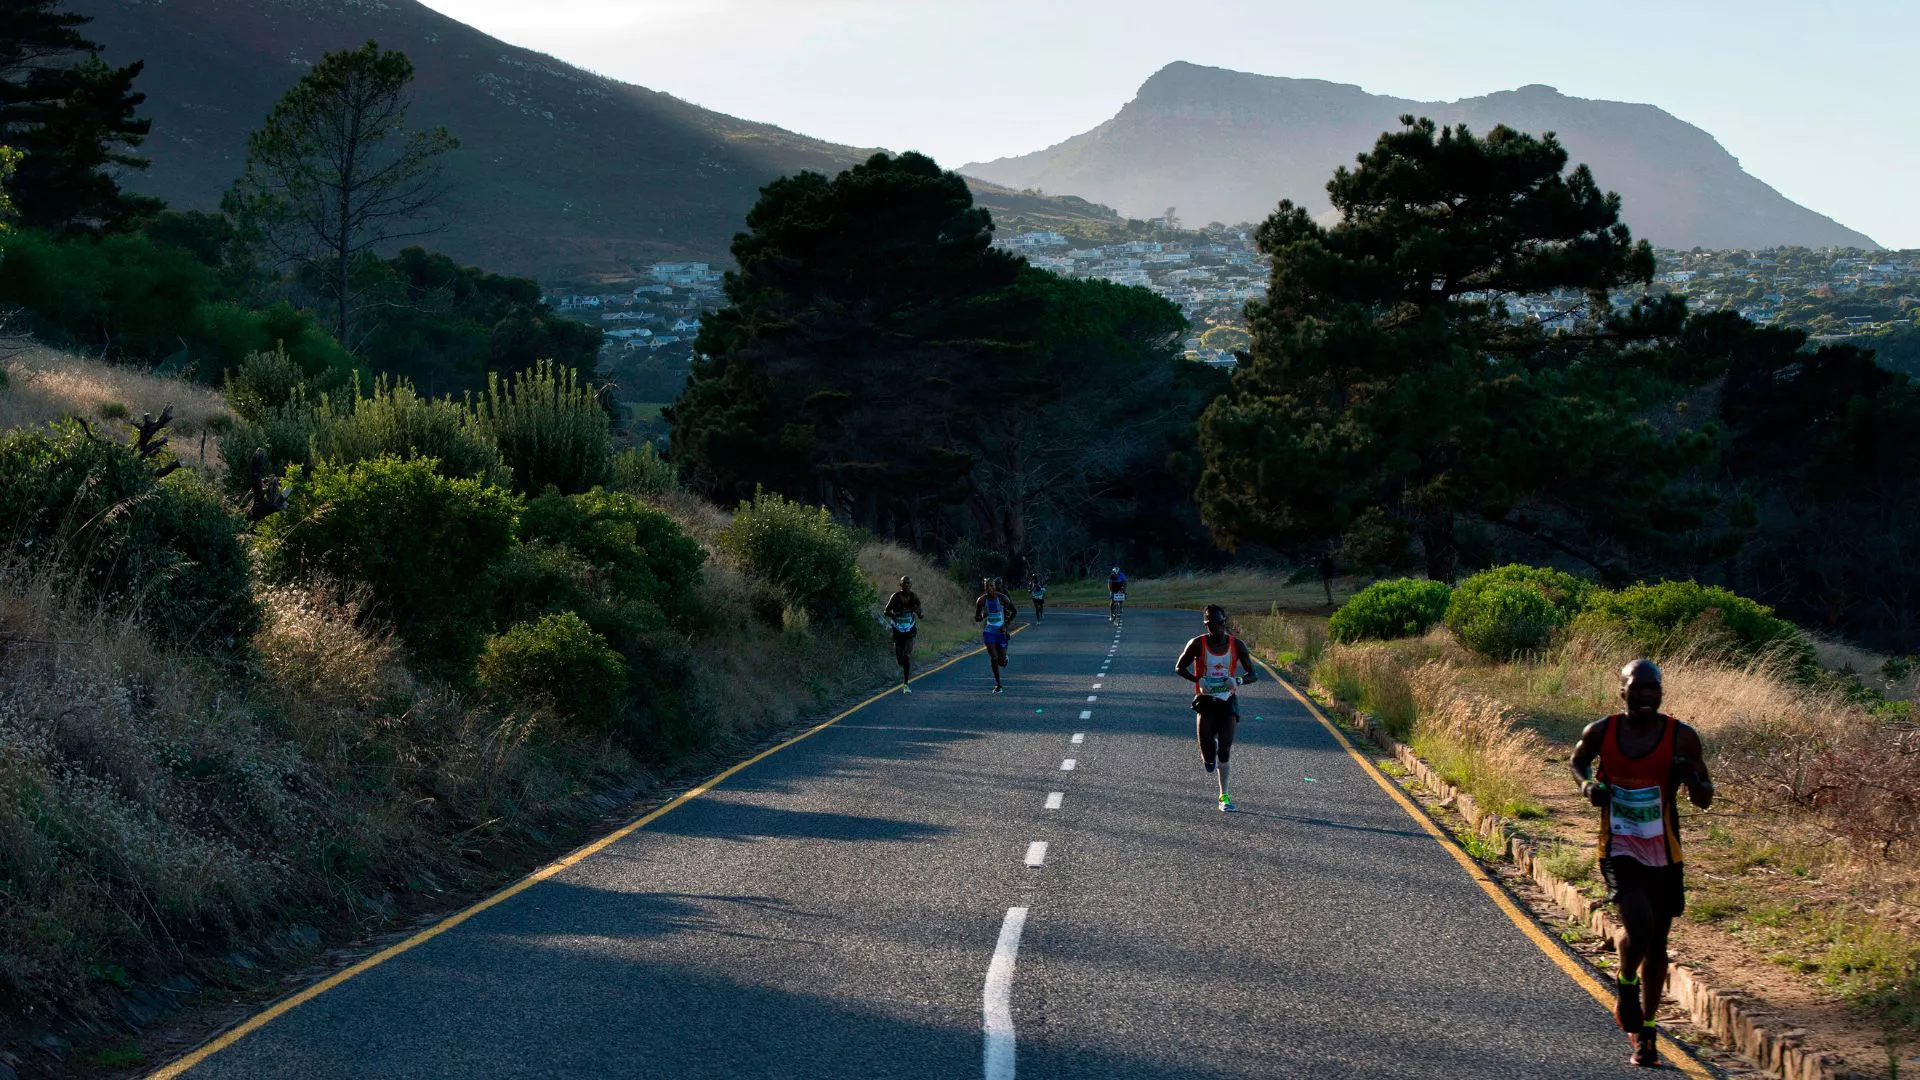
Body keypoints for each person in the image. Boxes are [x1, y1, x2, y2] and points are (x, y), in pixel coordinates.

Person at [1569, 659, 1713, 1068]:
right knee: (1640, 925)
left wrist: (1691, 778)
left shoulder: (1682, 737)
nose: (1647, 696)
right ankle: (1626, 982)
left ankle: (1647, 1033)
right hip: (1618, 846)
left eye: (1654, 689)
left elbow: (1705, 797)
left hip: (1664, 850)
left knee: (1658, 944)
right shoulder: (1602, 732)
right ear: (1623, 692)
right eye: (1639, 688)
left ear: (1661, 693)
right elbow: (1578, 762)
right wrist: (1588, 786)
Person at [1174, 605, 1257, 811]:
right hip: (1205, 701)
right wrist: (1198, 680)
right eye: (1210, 624)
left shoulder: (1237, 645)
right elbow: (1179, 667)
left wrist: (1237, 680)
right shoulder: (1197, 644)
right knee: (1210, 759)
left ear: (1224, 622)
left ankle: (1224, 796)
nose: (1215, 628)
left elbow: (1252, 674)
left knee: (1225, 749)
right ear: (1206, 625)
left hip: (1227, 700)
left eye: (1218, 624)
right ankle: (1209, 759)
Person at [974, 577, 1019, 693]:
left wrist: (1006, 625)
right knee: (993, 658)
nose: (989, 589)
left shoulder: (1003, 598)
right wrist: (983, 616)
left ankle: (1004, 659)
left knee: (1001, 662)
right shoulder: (981, 601)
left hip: (1001, 632)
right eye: (987, 587)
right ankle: (998, 685)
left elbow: (1014, 611)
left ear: (995, 587)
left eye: (991, 586)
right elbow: (977, 618)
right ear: (984, 588)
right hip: (989, 632)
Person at [882, 575, 923, 693]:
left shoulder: (914, 597)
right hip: (897, 629)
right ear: (900, 585)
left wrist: (919, 614)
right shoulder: (895, 597)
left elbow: (920, 612)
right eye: (904, 583)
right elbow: (886, 611)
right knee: (900, 660)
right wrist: (894, 614)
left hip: (910, 629)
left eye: (908, 583)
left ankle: (905, 684)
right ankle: (903, 666)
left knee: (906, 655)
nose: (906, 585)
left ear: (911, 585)